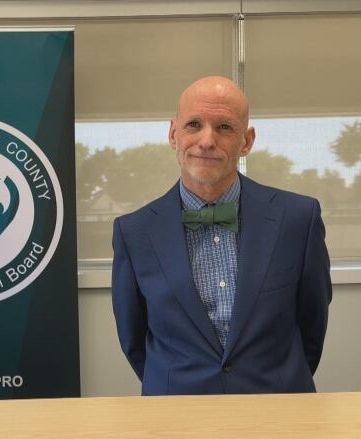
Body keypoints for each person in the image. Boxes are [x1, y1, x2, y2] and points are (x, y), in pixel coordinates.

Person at [111, 76, 332, 395]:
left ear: (247, 140)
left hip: (279, 409)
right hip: (175, 414)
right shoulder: (133, 231)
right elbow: (134, 341)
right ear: (174, 134)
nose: (206, 141)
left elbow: (312, 327)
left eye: (225, 127)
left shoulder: (298, 219)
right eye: (194, 125)